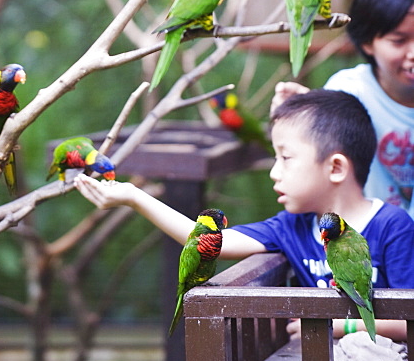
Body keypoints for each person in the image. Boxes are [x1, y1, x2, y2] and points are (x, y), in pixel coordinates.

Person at [75, 90, 414, 342]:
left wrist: (335, 323)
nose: (274, 172)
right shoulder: (290, 228)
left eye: (285, 157)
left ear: (336, 167)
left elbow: (408, 319)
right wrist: (135, 197)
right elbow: (210, 243)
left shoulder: (391, 226)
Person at [273, 0, 414, 216]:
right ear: (368, 42)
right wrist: (306, 119)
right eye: (399, 41)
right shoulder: (350, 89)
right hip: (363, 240)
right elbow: (315, 162)